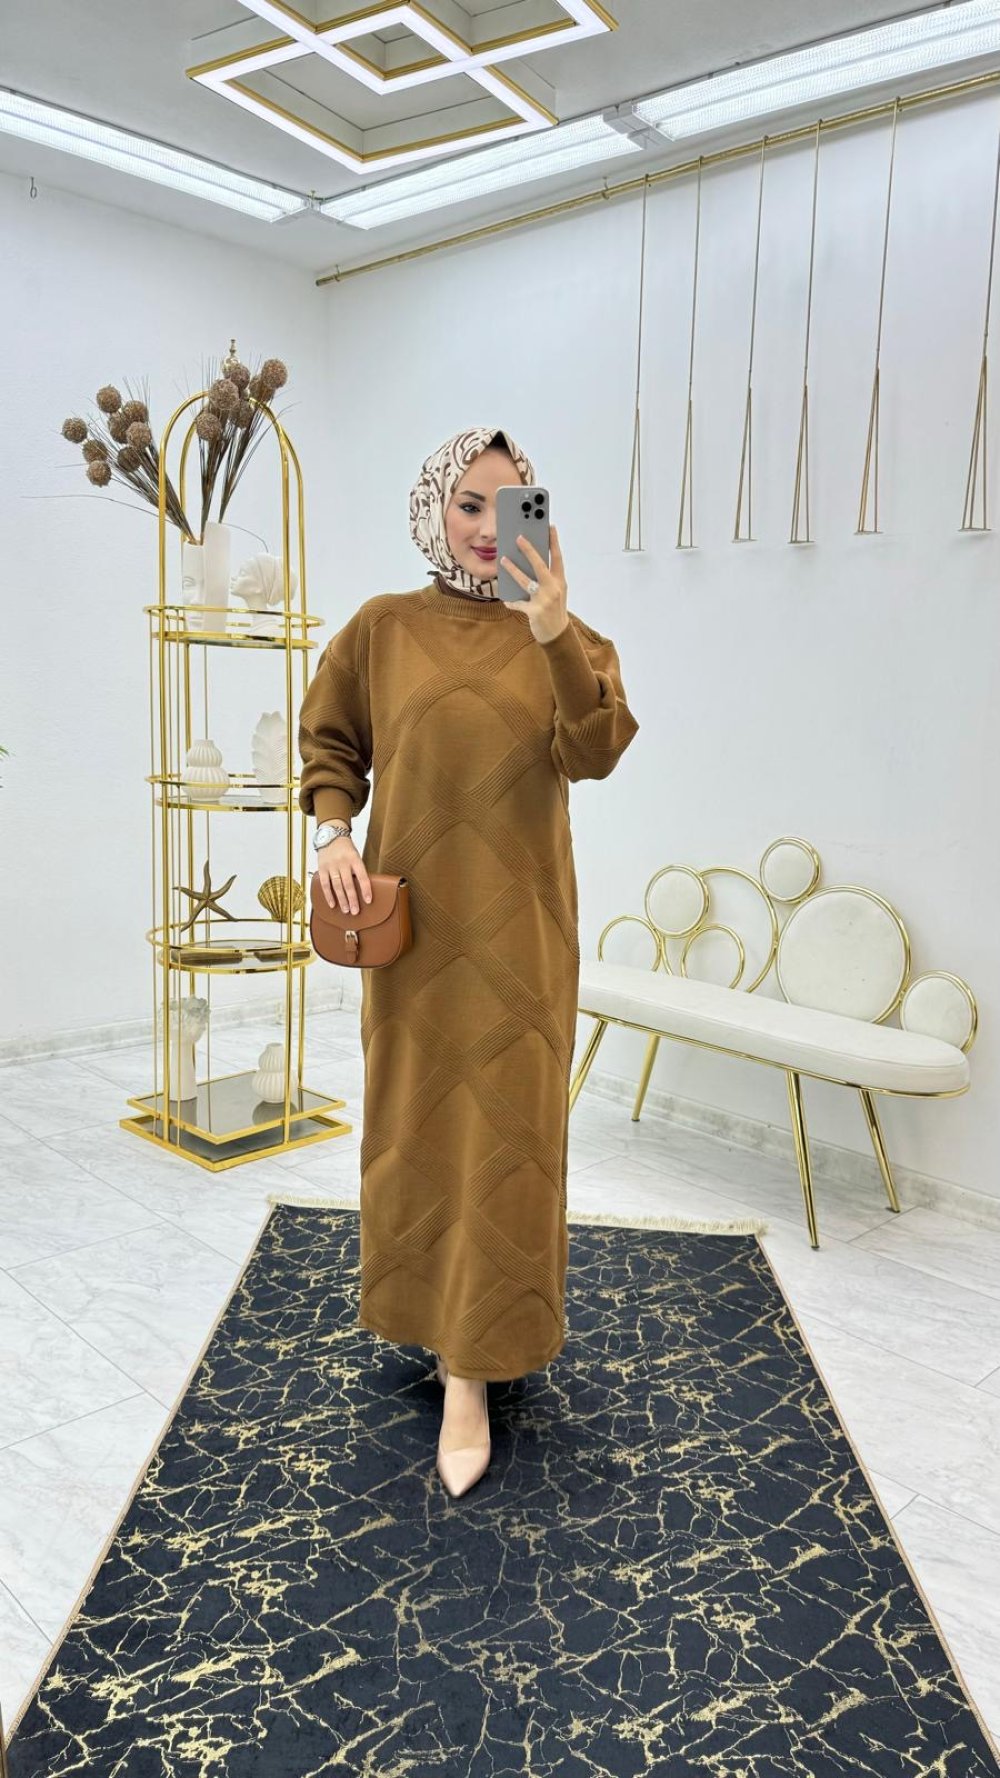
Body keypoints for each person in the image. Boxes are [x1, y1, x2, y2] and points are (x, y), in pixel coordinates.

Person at [297, 425, 639, 1499]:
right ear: (434, 511)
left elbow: (595, 751)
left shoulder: (572, 638)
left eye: (512, 504)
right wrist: (334, 835)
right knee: (416, 1126)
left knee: (509, 1142)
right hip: (414, 944)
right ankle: (427, 1319)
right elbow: (331, 738)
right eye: (469, 505)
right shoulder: (383, 628)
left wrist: (550, 630)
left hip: (522, 943)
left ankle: (475, 1373)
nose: (491, 528)